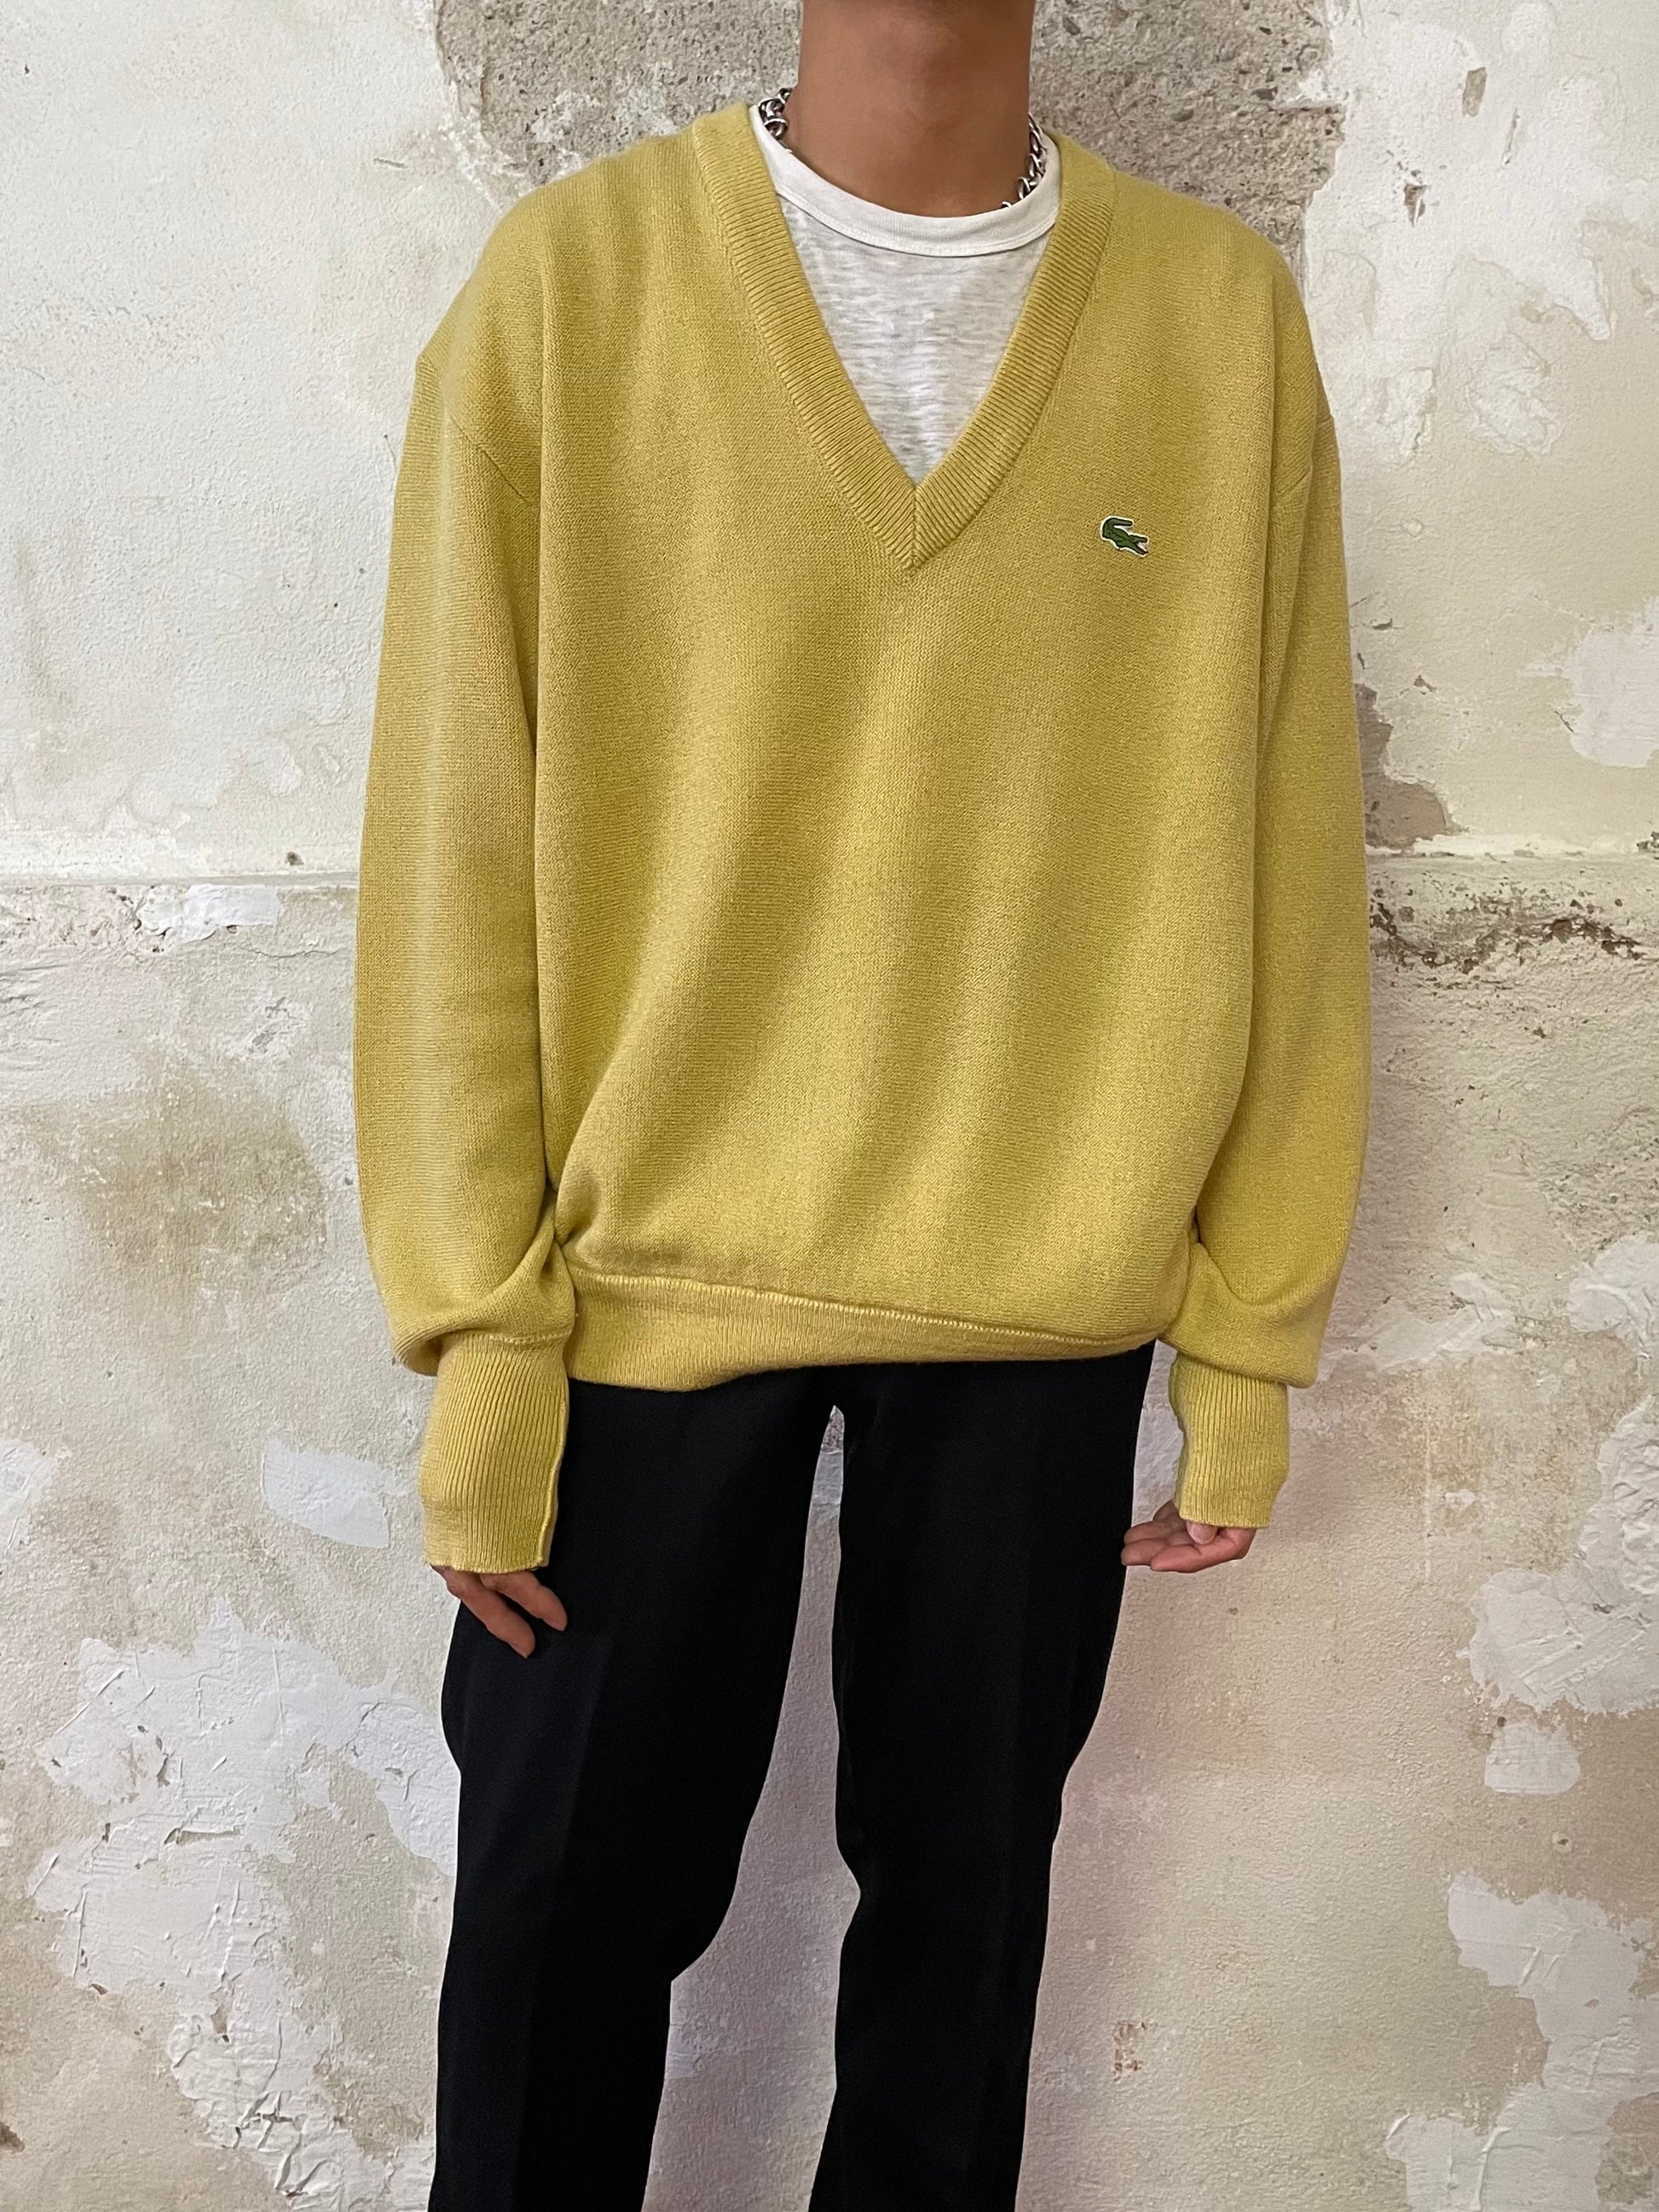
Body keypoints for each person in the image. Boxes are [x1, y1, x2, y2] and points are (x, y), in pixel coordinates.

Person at [351, 0, 1371, 2203]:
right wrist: (480, 1332)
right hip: (635, 1289)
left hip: (1044, 1272)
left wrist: (1250, 1328)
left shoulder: (1215, 327)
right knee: (550, 1937)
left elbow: (1293, 852)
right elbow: (453, 847)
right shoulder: (573, 291)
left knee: (958, 1966)